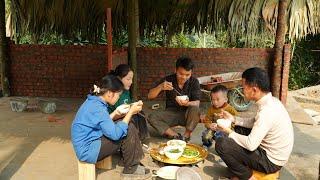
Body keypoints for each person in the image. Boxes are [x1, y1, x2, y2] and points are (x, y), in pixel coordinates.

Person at [214, 67, 294, 180]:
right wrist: (233, 119)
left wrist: (228, 131)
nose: (242, 90)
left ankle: (249, 177)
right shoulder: (271, 102)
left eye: (244, 87)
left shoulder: (267, 111)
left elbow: (251, 145)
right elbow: (254, 122)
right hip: (273, 153)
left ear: (254, 90)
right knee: (238, 129)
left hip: (271, 162)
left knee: (222, 144)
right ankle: (241, 166)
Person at [71, 75, 151, 179]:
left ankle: (128, 161)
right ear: (109, 93)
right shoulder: (98, 107)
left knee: (124, 122)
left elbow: (101, 121)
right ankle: (131, 169)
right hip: (88, 151)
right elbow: (116, 135)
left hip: (90, 142)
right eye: (118, 95)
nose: (118, 98)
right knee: (129, 126)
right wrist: (130, 112)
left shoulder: (95, 101)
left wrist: (116, 112)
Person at [147, 57, 201, 141]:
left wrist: (186, 103)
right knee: (152, 117)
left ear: (191, 73)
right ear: (175, 70)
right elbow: (150, 96)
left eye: (187, 75)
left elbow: (197, 103)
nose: (184, 77)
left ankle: (186, 136)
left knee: (195, 109)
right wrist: (161, 87)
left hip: (187, 115)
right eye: (181, 74)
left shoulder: (194, 82)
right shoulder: (168, 80)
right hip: (171, 113)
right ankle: (175, 135)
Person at [108, 64, 149, 141]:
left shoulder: (126, 91)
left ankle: (140, 139)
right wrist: (131, 111)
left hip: (122, 115)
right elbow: (114, 114)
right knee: (132, 118)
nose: (131, 82)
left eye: (132, 79)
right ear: (119, 79)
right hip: (113, 120)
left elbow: (128, 104)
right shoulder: (114, 93)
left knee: (140, 114)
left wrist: (134, 105)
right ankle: (131, 141)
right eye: (128, 79)